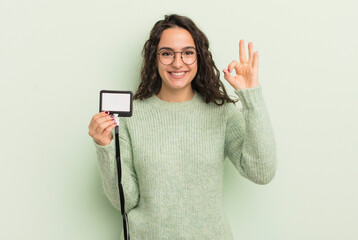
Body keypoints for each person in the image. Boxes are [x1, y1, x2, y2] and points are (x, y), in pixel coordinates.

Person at [88, 14, 277, 240]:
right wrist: (106, 148)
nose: (178, 63)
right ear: (154, 59)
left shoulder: (222, 113)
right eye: (167, 53)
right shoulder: (131, 117)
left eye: (187, 53)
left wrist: (251, 95)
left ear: (199, 57)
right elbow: (125, 201)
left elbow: (261, 172)